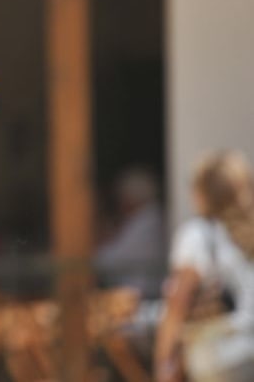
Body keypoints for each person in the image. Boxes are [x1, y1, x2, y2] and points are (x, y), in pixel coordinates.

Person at [154, 151, 254, 382]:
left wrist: (164, 362)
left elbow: (178, 304)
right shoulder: (246, 237)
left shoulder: (198, 235)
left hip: (220, 358)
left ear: (202, 194)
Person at [95, 165, 168, 299]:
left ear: (131, 197)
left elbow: (108, 261)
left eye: (122, 197)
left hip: (142, 296)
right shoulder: (149, 218)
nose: (120, 204)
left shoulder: (146, 223)